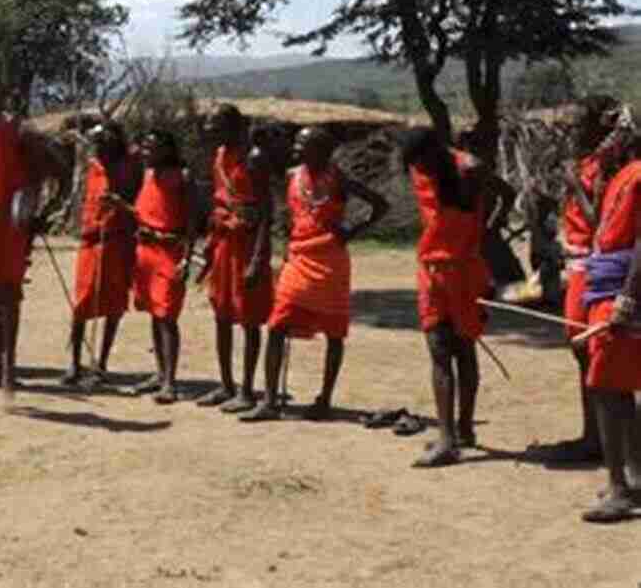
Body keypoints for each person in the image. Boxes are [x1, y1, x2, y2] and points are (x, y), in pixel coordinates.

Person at [239, 127, 389, 422]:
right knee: (278, 325)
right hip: (298, 258)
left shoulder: (338, 178)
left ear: (322, 150)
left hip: (330, 262)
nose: (296, 147)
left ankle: (324, 400)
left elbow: (380, 205)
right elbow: (285, 210)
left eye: (303, 143)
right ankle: (269, 400)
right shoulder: (292, 176)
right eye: (297, 142)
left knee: (334, 334)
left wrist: (350, 231)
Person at [401, 127, 510, 468]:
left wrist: (488, 232)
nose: (423, 169)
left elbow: (507, 193)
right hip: (431, 270)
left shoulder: (471, 168)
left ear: (439, 149)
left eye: (426, 161)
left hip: (465, 270)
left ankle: (463, 429)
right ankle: (448, 436)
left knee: (464, 348)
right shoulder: (419, 166)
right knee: (438, 349)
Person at [0, 73, 65, 411]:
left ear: (3, 96)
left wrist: (36, 207)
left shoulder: (19, 131)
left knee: (8, 299)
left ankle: (8, 370)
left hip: (9, 226)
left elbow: (52, 169)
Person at [538, 95, 621, 463]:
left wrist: (574, 185)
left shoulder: (607, 166)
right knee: (581, 353)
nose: (570, 129)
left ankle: (605, 441)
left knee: (591, 354)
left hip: (593, 265)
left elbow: (603, 223)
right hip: (576, 264)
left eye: (577, 122)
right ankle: (594, 436)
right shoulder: (588, 162)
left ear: (597, 125)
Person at [579, 106, 641, 521]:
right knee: (616, 388)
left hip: (621, 290)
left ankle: (618, 486)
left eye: (612, 134)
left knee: (606, 387)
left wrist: (627, 298)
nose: (604, 142)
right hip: (608, 284)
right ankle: (633, 477)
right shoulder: (622, 175)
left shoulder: (638, 175)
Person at [196, 104, 274, 413]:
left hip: (247, 244)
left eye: (215, 123)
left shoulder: (254, 158)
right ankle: (225, 384)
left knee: (250, 318)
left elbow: (267, 211)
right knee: (222, 314)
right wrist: (208, 241)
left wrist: (258, 258)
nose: (209, 128)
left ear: (232, 125)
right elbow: (219, 201)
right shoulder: (219, 156)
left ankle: (246, 389)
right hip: (224, 242)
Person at [62, 121, 139, 385]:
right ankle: (73, 362)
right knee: (82, 301)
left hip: (118, 241)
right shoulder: (93, 167)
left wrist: (119, 203)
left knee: (115, 303)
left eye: (104, 143)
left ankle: (101, 363)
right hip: (91, 240)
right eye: (97, 144)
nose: (100, 149)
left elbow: (138, 203)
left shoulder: (130, 166)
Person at [130, 129, 199, 404]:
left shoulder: (182, 177)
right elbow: (143, 212)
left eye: (152, 147)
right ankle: (159, 374)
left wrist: (188, 257)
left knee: (168, 315)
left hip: (169, 252)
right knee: (155, 313)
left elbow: (192, 222)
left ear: (167, 149)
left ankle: (170, 382)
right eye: (144, 146)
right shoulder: (147, 175)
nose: (146, 152)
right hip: (144, 251)